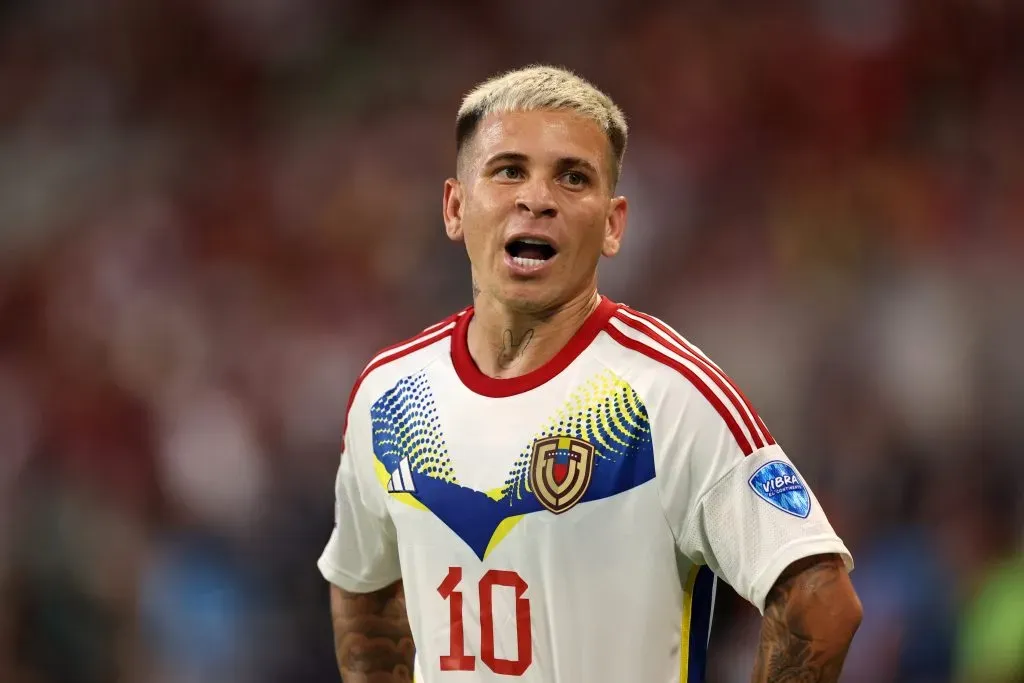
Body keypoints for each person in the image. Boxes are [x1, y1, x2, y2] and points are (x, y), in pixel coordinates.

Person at [318, 65, 862, 683]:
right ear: (455, 206)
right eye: (509, 170)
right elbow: (361, 586)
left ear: (612, 224)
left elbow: (820, 600)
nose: (537, 198)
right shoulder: (388, 395)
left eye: (573, 178)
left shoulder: (666, 393)